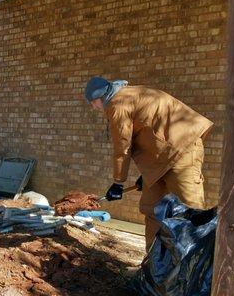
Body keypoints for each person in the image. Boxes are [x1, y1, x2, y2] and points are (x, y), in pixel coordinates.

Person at [84, 76, 213, 250]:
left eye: (93, 103)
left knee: (190, 210)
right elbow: (148, 132)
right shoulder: (128, 96)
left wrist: (118, 183)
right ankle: (151, 265)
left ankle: (191, 270)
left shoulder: (117, 104)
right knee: (151, 207)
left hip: (182, 149)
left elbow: (122, 146)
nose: (94, 108)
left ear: (100, 97)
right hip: (161, 158)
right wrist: (148, 173)